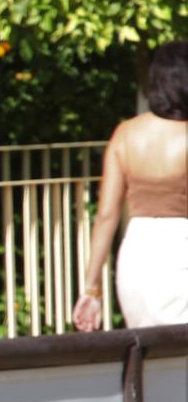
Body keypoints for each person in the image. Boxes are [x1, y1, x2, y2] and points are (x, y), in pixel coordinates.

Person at [73, 40, 188, 331]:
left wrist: (91, 289)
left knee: (150, 359)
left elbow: (106, 216)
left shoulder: (125, 134)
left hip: (137, 253)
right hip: (180, 249)